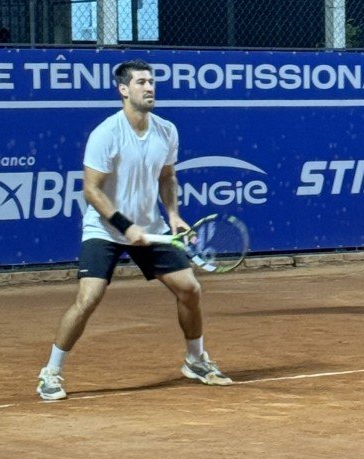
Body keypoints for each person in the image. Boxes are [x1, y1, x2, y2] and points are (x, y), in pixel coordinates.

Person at [36, 59, 232, 400]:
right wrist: (125, 227)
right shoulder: (106, 134)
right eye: (141, 82)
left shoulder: (167, 130)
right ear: (123, 90)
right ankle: (51, 371)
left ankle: (195, 359)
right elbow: (91, 190)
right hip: (105, 230)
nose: (150, 87)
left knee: (190, 289)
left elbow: (167, 177)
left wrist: (173, 215)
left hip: (151, 228)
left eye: (151, 81)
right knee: (88, 299)